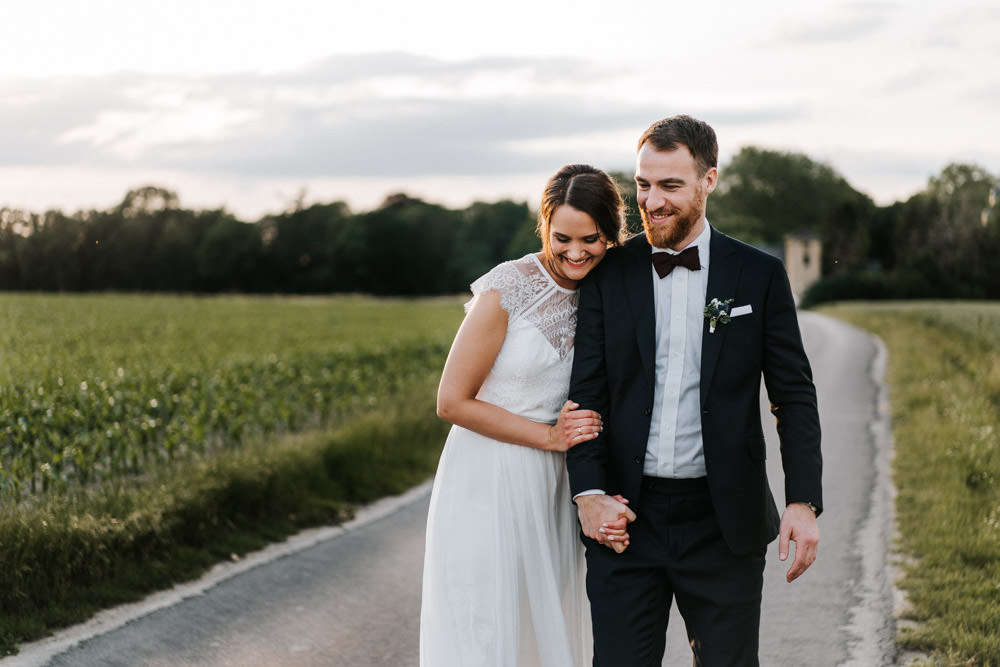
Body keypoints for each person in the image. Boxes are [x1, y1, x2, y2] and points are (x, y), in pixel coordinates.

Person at [567, 115, 823, 666]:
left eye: (670, 186)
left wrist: (802, 499)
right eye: (643, 184)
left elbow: (794, 395)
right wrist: (588, 494)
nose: (651, 201)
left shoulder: (759, 275)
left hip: (724, 522)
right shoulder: (609, 274)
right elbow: (585, 395)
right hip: (625, 520)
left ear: (709, 180)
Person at [419, 164, 628, 666]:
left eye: (591, 239)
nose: (576, 252)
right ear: (545, 225)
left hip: (555, 488)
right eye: (563, 238)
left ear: (612, 235)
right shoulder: (508, 288)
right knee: (488, 625)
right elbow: (452, 401)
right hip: (488, 479)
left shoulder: (613, 290)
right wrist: (549, 437)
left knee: (542, 622)